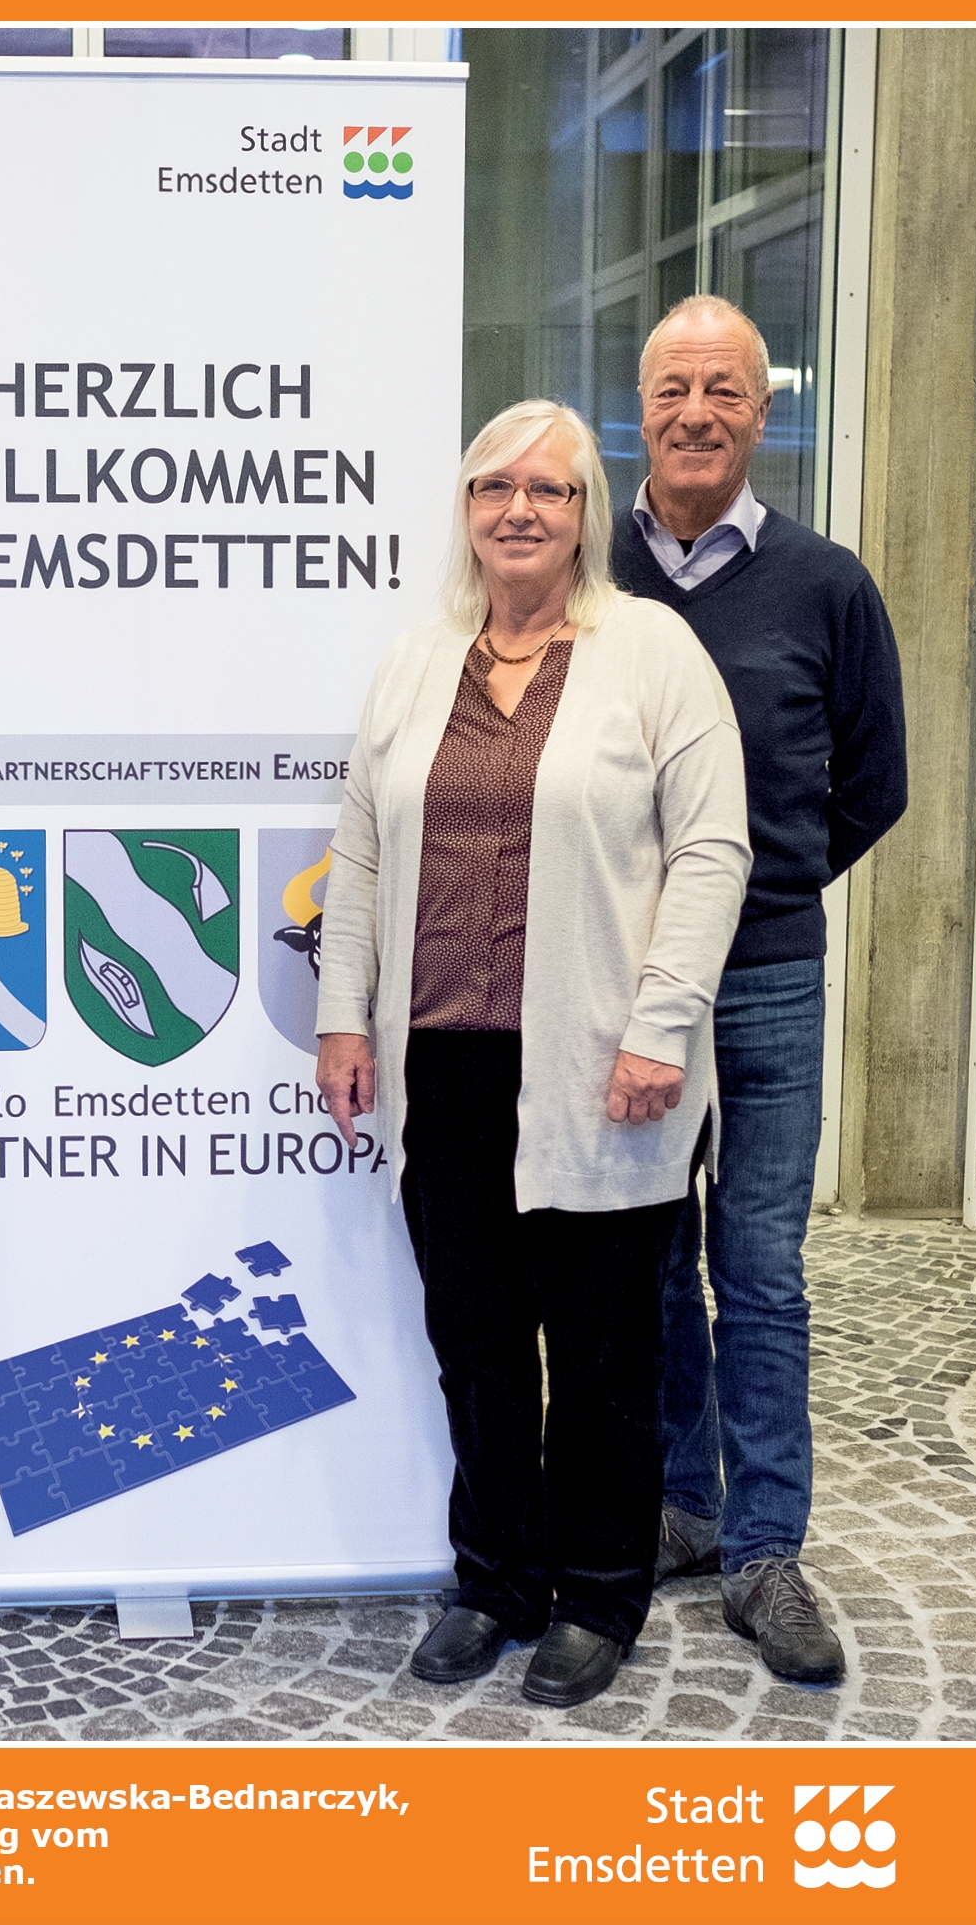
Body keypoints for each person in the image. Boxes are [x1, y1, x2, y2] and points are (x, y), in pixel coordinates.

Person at [316, 399, 750, 1710]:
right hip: (444, 1065)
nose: (519, 509)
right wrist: (344, 1012)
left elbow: (711, 851)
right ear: (465, 511)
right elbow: (360, 850)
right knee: (480, 1343)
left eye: (548, 490)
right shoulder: (415, 665)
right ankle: (496, 1580)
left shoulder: (652, 653)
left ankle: (598, 1596)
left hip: (603, 1070)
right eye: (493, 487)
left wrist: (660, 1027)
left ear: (583, 515)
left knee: (607, 1354)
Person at [613, 296, 907, 1685]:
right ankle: (682, 1504)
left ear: (761, 410)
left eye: (722, 390)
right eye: (673, 388)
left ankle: (766, 1549)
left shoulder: (827, 584)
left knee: (761, 1265)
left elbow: (875, 780)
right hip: (614, 982)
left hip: (769, 973)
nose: (696, 414)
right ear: (638, 407)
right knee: (648, 1254)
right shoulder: (592, 568)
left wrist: (762, 883)